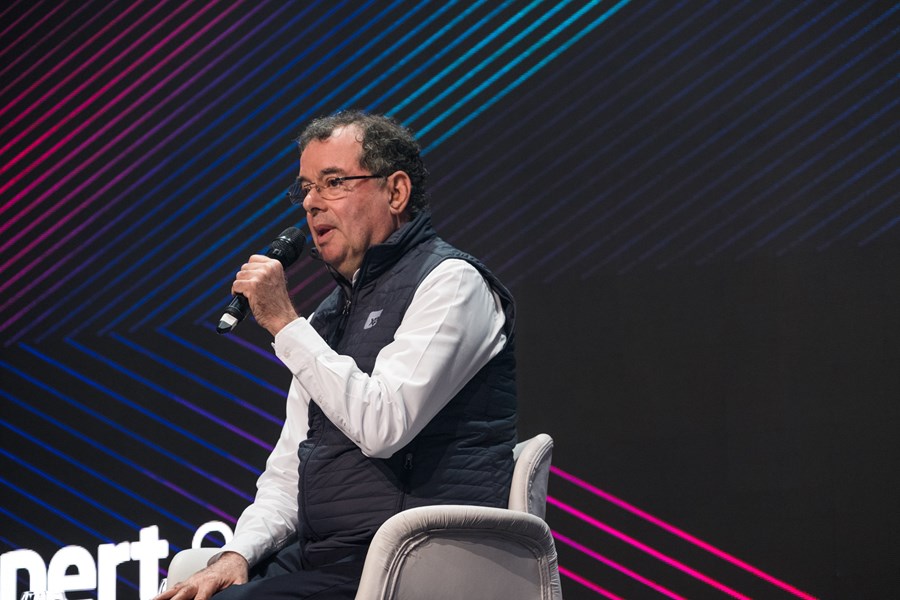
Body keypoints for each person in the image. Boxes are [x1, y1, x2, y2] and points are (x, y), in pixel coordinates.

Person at [156, 110, 517, 599]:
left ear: (396, 192)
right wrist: (237, 554)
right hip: (327, 555)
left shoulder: (452, 284)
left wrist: (285, 324)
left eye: (333, 182)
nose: (311, 202)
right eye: (306, 188)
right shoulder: (325, 319)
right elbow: (288, 472)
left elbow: (384, 425)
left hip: (410, 560)